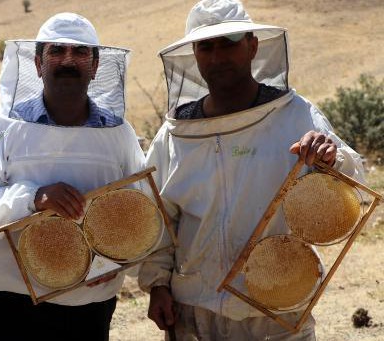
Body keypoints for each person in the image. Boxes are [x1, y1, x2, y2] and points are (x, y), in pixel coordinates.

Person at [138, 0, 365, 340]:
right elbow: (159, 216)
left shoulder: (296, 116)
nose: (217, 56)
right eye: (206, 46)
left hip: (278, 308)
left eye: (229, 43)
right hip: (195, 313)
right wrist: (157, 283)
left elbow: (354, 189)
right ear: (194, 55)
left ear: (252, 45)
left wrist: (332, 162)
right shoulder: (175, 135)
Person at [0, 12, 145, 341]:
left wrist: (108, 262)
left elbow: (139, 210)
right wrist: (32, 198)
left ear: (95, 66)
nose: (68, 60)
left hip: (90, 306)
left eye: (80, 53)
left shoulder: (118, 134)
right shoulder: (0, 129)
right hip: (12, 304)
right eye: (56, 51)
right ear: (37, 64)